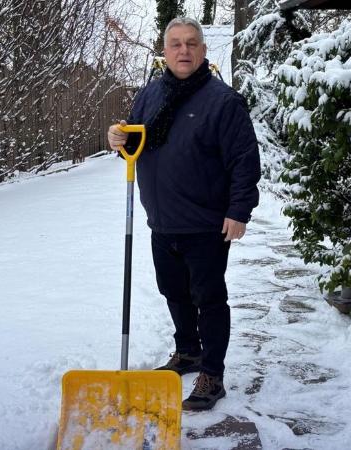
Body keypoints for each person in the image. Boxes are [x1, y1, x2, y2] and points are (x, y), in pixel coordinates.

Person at [106, 17, 260, 411]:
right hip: (162, 219)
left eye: (192, 43)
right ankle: (188, 352)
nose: (184, 51)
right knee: (173, 292)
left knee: (208, 298)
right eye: (175, 44)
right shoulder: (150, 95)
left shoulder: (223, 101)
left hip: (207, 222)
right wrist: (118, 139)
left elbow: (244, 160)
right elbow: (136, 143)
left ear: (203, 51)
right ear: (165, 50)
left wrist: (239, 210)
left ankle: (213, 372)